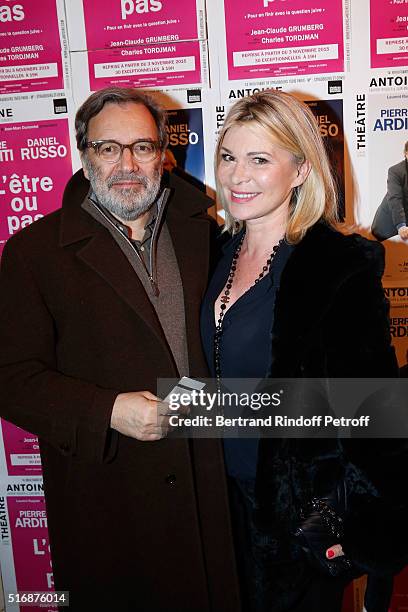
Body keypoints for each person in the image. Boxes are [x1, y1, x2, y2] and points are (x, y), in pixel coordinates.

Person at [0, 87, 240, 611]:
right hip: (110, 498)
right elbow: (12, 378)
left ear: (163, 154)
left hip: (208, 488)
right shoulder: (33, 253)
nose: (127, 164)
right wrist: (108, 410)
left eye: (142, 147)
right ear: (84, 156)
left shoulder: (203, 231)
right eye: (109, 148)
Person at [200, 90, 407, 612]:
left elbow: (374, 410)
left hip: (293, 523)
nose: (236, 175)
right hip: (214, 511)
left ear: (300, 170)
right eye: (228, 156)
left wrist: (358, 524)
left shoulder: (338, 265)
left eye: (260, 159)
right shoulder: (210, 253)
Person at [371, 141, 408, 241]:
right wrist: (401, 225)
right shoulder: (395, 171)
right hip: (388, 226)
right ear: (406, 153)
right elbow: (395, 199)